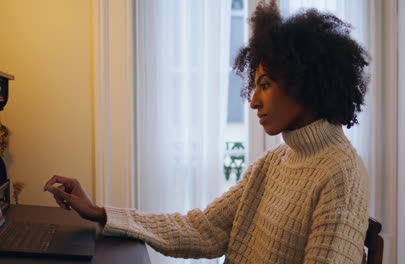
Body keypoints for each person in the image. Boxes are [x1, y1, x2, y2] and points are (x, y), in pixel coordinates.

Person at [44, 1, 370, 263]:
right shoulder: (272, 164)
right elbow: (202, 230)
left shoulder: (340, 173)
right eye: (254, 86)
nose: (254, 101)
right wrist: (98, 212)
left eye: (266, 85)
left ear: (305, 83)